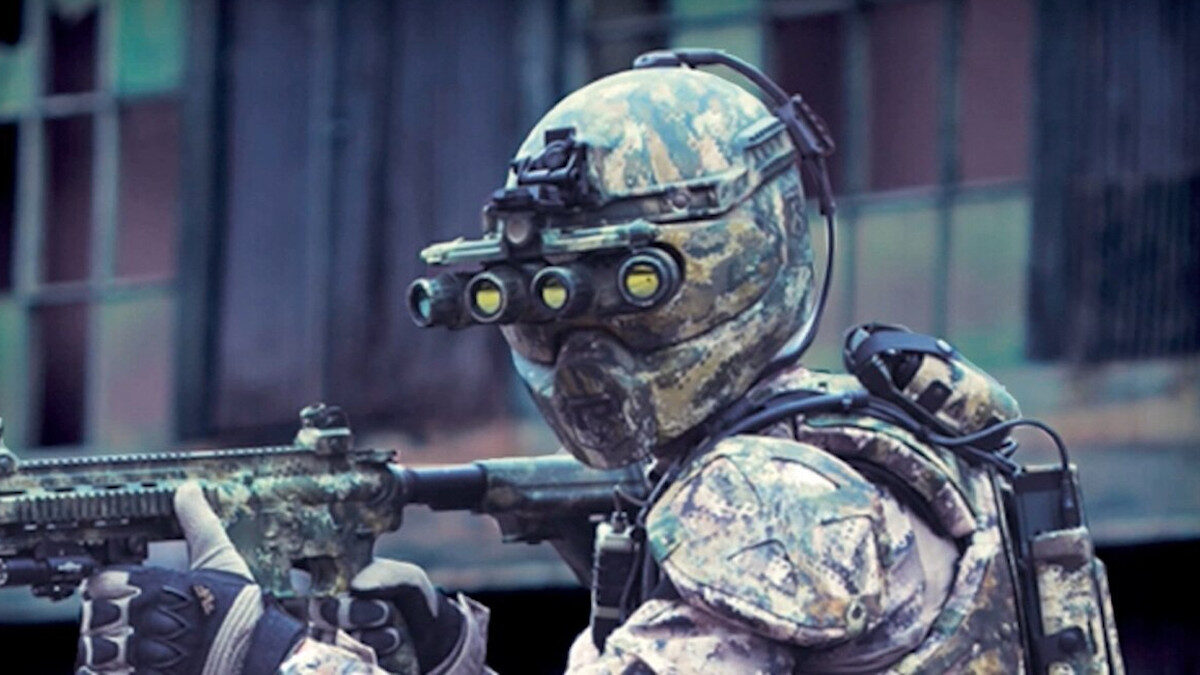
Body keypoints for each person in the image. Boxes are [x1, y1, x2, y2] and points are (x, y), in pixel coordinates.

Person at [76, 50, 1122, 674]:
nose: (573, 350)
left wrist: (266, 655)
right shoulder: (841, 443)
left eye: (605, 299)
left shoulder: (766, 497)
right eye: (539, 304)